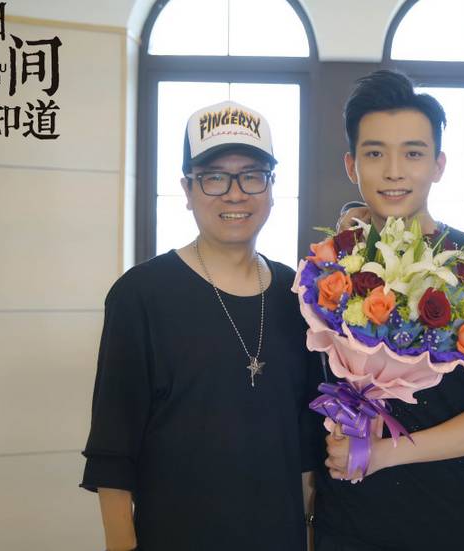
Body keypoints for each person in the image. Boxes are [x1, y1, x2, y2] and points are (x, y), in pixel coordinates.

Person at [80, 100, 322, 551]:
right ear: (187, 190)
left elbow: (308, 442)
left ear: (272, 187)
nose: (235, 194)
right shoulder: (141, 294)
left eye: (252, 175)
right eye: (214, 177)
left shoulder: (298, 294)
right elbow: (113, 449)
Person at [313, 70, 464, 551]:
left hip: (450, 523)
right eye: (375, 153)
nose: (394, 171)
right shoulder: (330, 264)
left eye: (413, 153)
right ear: (352, 165)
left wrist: (384, 453)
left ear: (438, 164)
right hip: (345, 524)